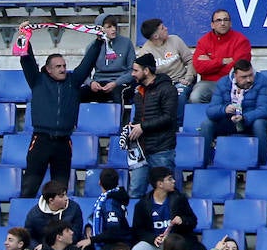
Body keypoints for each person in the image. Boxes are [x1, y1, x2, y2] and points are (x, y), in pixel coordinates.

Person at [19, 33, 104, 197]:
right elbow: (26, 60)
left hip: (63, 143)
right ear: (48, 69)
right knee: (29, 187)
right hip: (41, 141)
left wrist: (98, 42)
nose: (63, 69)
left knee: (60, 190)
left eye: (64, 65)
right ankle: (24, 221)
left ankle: (58, 221)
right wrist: (24, 37)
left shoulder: (73, 82)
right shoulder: (37, 80)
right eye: (58, 66)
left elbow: (87, 63)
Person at [121, 53, 180, 198]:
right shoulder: (138, 91)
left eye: (136, 70)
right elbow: (138, 118)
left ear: (146, 71)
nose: (132, 74)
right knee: (135, 192)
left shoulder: (167, 89)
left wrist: (142, 127)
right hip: (141, 151)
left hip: (161, 150)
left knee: (167, 193)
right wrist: (132, 128)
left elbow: (168, 118)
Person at [200, 59, 267, 166]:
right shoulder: (223, 83)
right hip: (229, 121)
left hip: (250, 122)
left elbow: (264, 109)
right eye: (244, 77)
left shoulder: (262, 81)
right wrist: (224, 110)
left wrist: (245, 117)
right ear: (235, 75)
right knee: (206, 124)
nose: (248, 79)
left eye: (251, 75)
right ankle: (204, 164)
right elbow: (210, 110)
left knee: (259, 124)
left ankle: (262, 165)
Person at [130, 166, 200, 250]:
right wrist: (153, 238)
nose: (174, 181)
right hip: (156, 244)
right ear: (160, 184)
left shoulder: (179, 199)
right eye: (169, 179)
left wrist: (182, 220)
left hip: (175, 243)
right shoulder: (142, 205)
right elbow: (139, 231)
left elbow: (193, 221)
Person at [136, 17, 195, 106]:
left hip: (180, 81)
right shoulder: (145, 52)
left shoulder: (175, 40)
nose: (166, 29)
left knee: (179, 96)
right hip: (160, 84)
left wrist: (188, 77)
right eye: (163, 28)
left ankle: (178, 120)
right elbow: (145, 74)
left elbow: (190, 60)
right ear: (156, 36)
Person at [82, 15, 135, 104]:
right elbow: (83, 72)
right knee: (78, 93)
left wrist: (116, 83)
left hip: (119, 82)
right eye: (109, 27)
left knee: (118, 94)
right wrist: (91, 83)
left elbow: (132, 70)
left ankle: (120, 118)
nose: (114, 29)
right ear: (100, 29)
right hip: (99, 82)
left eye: (114, 26)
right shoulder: (92, 47)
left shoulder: (127, 43)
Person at [24, 181, 87, 250]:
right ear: (51, 200)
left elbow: (76, 235)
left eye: (66, 195)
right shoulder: (34, 214)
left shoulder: (74, 208)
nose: (66, 198)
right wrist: (37, 247)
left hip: (69, 247)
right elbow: (28, 237)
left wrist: (50, 246)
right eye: (62, 196)